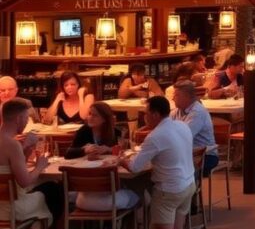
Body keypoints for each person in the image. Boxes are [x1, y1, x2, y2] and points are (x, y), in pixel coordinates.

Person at [118, 96, 195, 229]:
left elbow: (134, 167)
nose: (144, 117)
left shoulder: (155, 136)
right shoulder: (182, 125)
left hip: (169, 190)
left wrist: (121, 160)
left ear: (155, 114)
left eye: (145, 113)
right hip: (188, 184)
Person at [65, 102, 141, 212]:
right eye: (89, 114)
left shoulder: (115, 132)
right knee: (136, 195)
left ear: (104, 119)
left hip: (108, 181)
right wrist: (84, 150)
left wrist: (108, 149)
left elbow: (127, 151)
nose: (89, 117)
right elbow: (68, 154)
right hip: (89, 182)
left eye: (94, 115)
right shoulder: (84, 131)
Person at [0, 98, 53, 228]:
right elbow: (24, 182)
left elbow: (8, 167)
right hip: (11, 208)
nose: (26, 122)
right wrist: (40, 166)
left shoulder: (8, 143)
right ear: (18, 118)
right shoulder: (12, 145)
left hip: (2, 203)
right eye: (26, 118)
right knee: (53, 190)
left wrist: (26, 150)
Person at [170, 81, 219, 176]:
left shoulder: (198, 112)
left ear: (187, 97)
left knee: (173, 169)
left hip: (206, 156)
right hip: (186, 154)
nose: (172, 98)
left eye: (176, 95)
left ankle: (191, 190)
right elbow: (165, 131)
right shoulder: (175, 112)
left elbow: (184, 136)